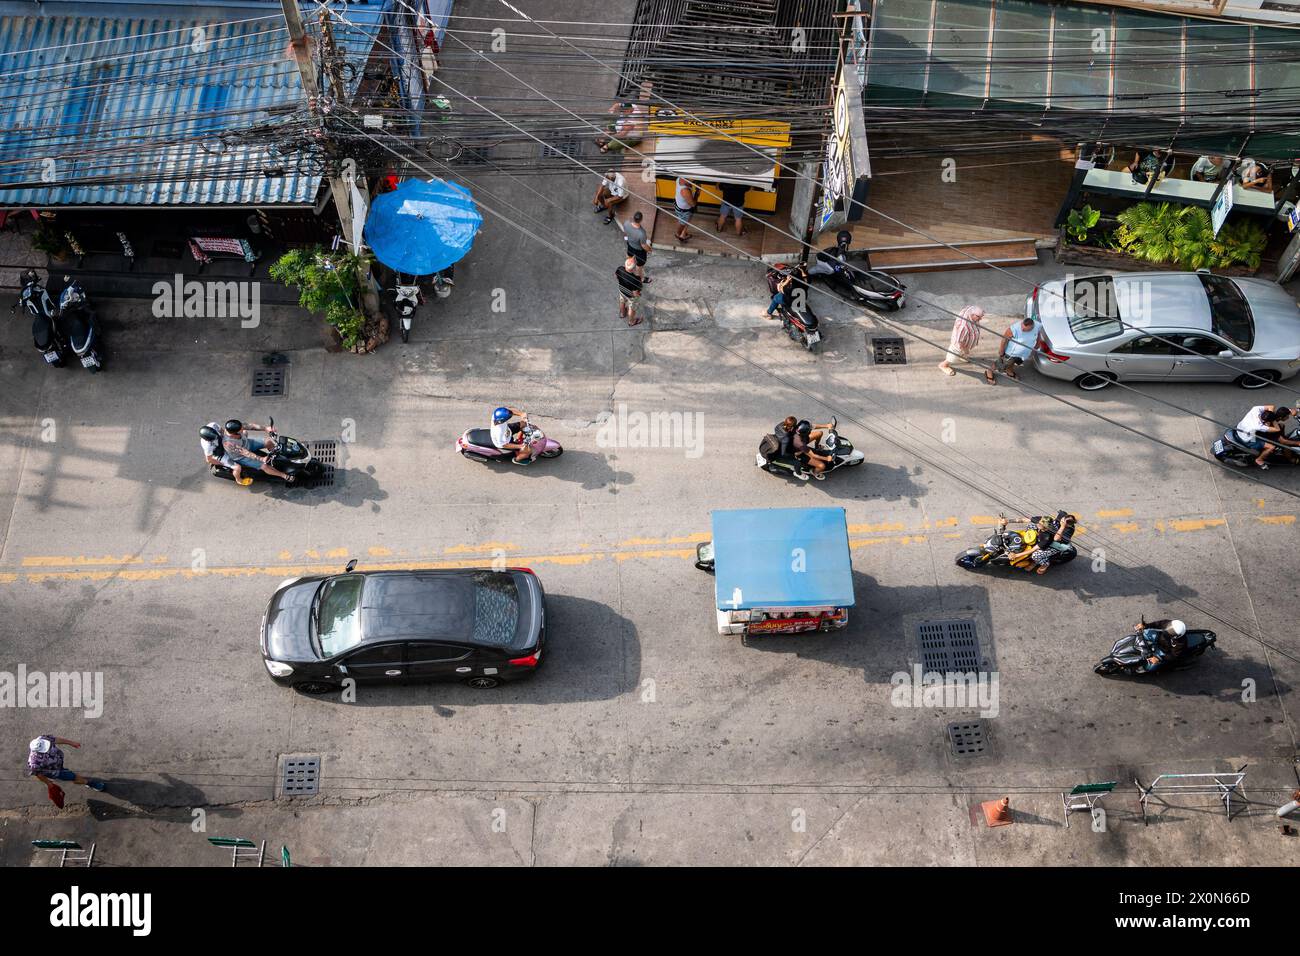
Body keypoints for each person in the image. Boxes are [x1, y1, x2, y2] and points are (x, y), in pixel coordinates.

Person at [28, 735, 106, 794]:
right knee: (74, 777)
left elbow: (56, 739)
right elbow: (38, 775)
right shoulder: (34, 763)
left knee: (73, 776)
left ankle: (78, 779)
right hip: (55, 772)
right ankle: (90, 784)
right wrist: (48, 783)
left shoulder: (43, 739)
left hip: (58, 763)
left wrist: (71, 743)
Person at [221, 419, 290, 485]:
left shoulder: (236, 428)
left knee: (268, 442)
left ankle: (277, 457)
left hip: (247, 444)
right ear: (235, 433)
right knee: (264, 466)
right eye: (241, 429)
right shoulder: (228, 443)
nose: (243, 428)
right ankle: (283, 475)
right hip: (241, 456)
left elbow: (251, 426)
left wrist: (266, 428)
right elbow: (245, 452)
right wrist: (261, 459)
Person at [1234, 404, 1290, 468]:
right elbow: (1277, 429)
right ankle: (1259, 459)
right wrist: (1273, 419)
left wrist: (1271, 416)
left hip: (1239, 427)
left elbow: (1271, 406)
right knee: (1271, 447)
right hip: (1247, 438)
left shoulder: (1256, 409)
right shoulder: (1259, 426)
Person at [987, 316, 1038, 384]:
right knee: (1001, 363)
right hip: (1011, 352)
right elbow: (1004, 339)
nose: (1022, 330)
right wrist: (1001, 350)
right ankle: (989, 371)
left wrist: (1035, 348)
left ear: (1032, 327)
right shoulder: (1014, 329)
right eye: (1022, 327)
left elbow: (1038, 337)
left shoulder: (1037, 327)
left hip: (1023, 353)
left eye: (1025, 329)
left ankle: (1009, 371)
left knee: (1013, 362)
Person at [939, 305, 985, 376]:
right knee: (952, 357)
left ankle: (962, 356)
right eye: (979, 317)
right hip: (958, 345)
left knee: (963, 352)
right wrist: (965, 350)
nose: (981, 319)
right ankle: (944, 365)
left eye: (981, 316)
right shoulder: (963, 326)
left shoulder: (970, 309)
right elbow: (960, 342)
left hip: (966, 340)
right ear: (972, 314)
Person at [621, 210, 652, 283]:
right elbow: (643, 245)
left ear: (633, 217)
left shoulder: (626, 223)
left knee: (629, 258)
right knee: (639, 266)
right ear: (641, 220)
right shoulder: (642, 233)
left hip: (630, 246)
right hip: (639, 251)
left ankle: (628, 270)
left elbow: (625, 233)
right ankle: (641, 279)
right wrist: (649, 250)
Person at [615, 254, 643, 327]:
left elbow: (616, 276)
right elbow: (635, 293)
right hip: (630, 296)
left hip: (621, 290)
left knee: (622, 301)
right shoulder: (636, 279)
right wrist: (638, 295)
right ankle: (631, 321)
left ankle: (622, 314)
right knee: (631, 308)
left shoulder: (620, 269)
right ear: (633, 269)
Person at [673, 176, 700, 243]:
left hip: (680, 205)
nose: (694, 180)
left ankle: (683, 233)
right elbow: (693, 204)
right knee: (682, 223)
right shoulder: (685, 190)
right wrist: (697, 193)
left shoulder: (680, 178)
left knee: (686, 220)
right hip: (684, 211)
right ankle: (678, 234)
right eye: (693, 179)